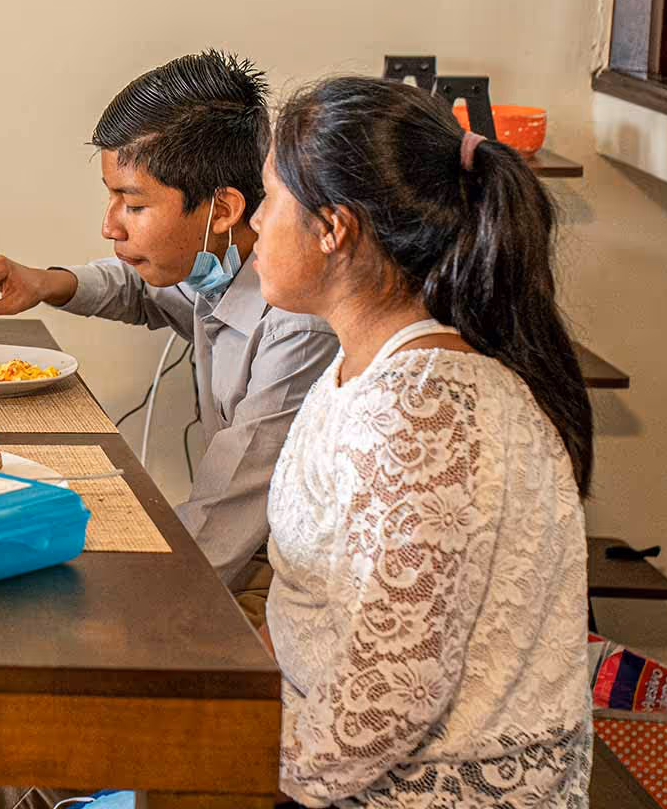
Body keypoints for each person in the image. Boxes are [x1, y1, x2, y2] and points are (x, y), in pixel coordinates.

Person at [252, 76, 592, 805]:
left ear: (332, 227)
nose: (252, 222)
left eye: (270, 197)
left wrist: (199, 759)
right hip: (337, 761)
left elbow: (384, 708)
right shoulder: (365, 367)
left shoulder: (423, 413)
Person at [0, 50, 335, 618]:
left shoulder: (297, 324)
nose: (109, 226)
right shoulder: (218, 261)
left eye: (132, 203)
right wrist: (44, 283)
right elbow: (138, 289)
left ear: (222, 208)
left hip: (276, 575)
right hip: (230, 541)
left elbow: (223, 517)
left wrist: (81, 591)